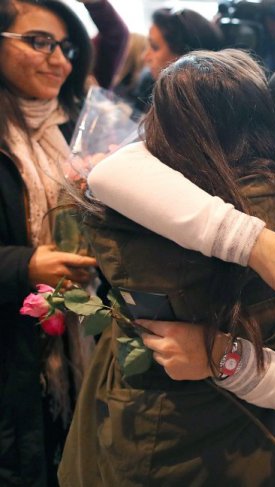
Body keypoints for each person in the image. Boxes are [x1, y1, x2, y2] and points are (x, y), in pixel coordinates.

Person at [59, 50, 275, 486]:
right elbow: (113, 171)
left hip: (249, 442)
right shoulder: (188, 199)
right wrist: (259, 244)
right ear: (262, 129)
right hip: (205, 449)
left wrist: (224, 358)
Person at [0, 1, 101, 484]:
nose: (59, 60)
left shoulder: (73, 127)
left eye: (66, 46)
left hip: (68, 345)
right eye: (39, 42)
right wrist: (25, 265)